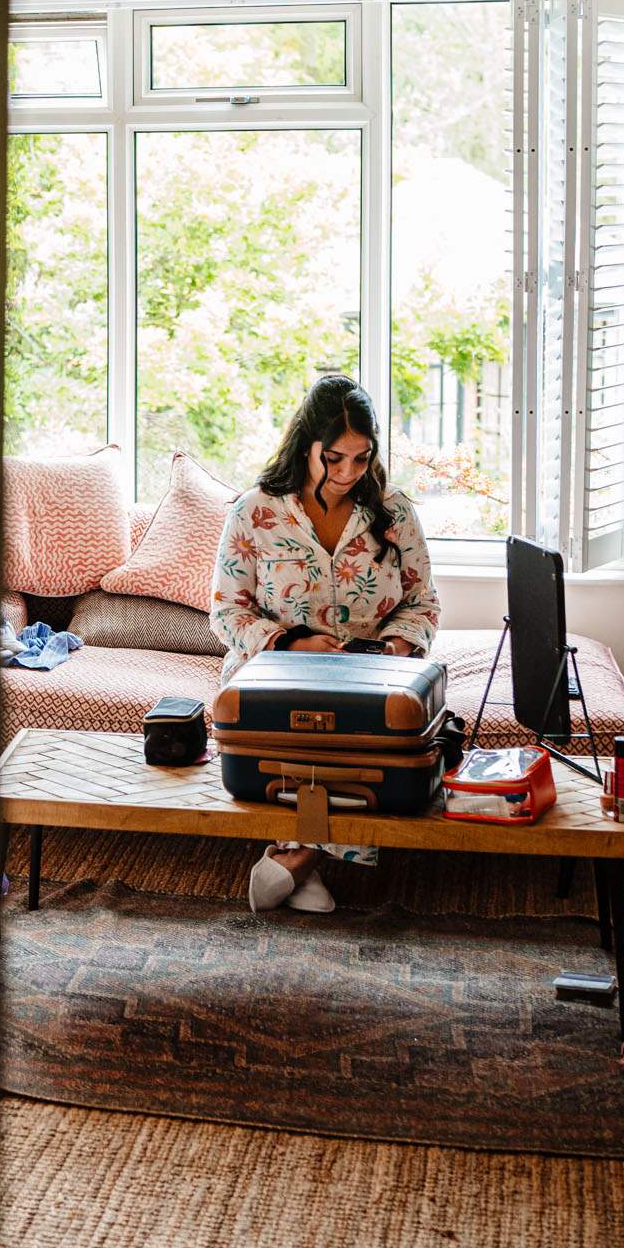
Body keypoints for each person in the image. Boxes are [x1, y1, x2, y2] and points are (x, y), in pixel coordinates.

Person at [212, 375, 441, 912]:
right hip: (275, 669)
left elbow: (424, 604)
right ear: (306, 445)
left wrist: (396, 649)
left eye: (361, 459)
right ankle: (308, 859)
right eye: (333, 458)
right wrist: (290, 645)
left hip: (370, 673)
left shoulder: (395, 512)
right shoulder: (254, 512)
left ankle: (297, 857)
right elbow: (226, 610)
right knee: (308, 729)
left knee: (365, 734)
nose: (346, 473)